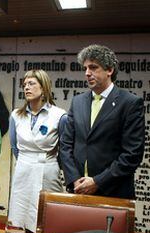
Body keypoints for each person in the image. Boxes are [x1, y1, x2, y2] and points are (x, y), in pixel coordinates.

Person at [60, 44, 145, 199]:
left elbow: (132, 154)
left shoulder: (130, 103)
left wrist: (97, 182)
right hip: (78, 190)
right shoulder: (77, 102)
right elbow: (65, 145)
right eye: (85, 68)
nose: (87, 73)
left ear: (109, 70)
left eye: (93, 67)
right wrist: (74, 179)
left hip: (113, 192)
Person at [8, 69, 66, 233]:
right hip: (23, 168)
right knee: (21, 218)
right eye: (25, 84)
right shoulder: (15, 115)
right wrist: (28, 161)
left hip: (48, 167)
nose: (26, 87)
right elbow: (14, 147)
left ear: (44, 87)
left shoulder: (59, 115)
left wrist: (49, 163)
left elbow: (64, 150)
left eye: (31, 83)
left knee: (48, 218)